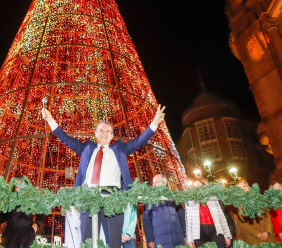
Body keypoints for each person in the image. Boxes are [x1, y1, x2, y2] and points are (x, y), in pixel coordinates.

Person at [42, 104, 165, 248]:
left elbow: (139, 141)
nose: (104, 133)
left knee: (114, 242)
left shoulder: (119, 149)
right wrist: (51, 120)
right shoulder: (87, 148)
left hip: (113, 199)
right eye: (101, 130)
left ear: (112, 135)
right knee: (87, 242)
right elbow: (66, 139)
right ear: (95, 133)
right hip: (88, 197)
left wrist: (155, 122)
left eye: (108, 131)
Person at [185, 177, 232, 248]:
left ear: (204, 186)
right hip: (199, 233)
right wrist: (190, 239)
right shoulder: (190, 201)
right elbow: (188, 221)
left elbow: (221, 217)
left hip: (215, 231)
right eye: (194, 186)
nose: (197, 188)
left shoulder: (213, 198)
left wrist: (227, 235)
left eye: (198, 186)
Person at [142, 174, 185, 248]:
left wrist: (185, 235)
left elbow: (182, 217)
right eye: (153, 183)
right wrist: (150, 239)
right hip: (159, 241)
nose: (154, 184)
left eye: (157, 182)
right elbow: (146, 220)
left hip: (177, 240)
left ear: (165, 183)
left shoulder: (174, 198)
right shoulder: (150, 200)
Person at [231, 179, 276, 245]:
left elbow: (267, 216)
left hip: (267, 235)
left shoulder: (258, 199)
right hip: (252, 238)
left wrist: (267, 231)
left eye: (244, 186)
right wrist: (257, 233)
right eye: (240, 187)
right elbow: (243, 224)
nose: (243, 188)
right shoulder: (237, 205)